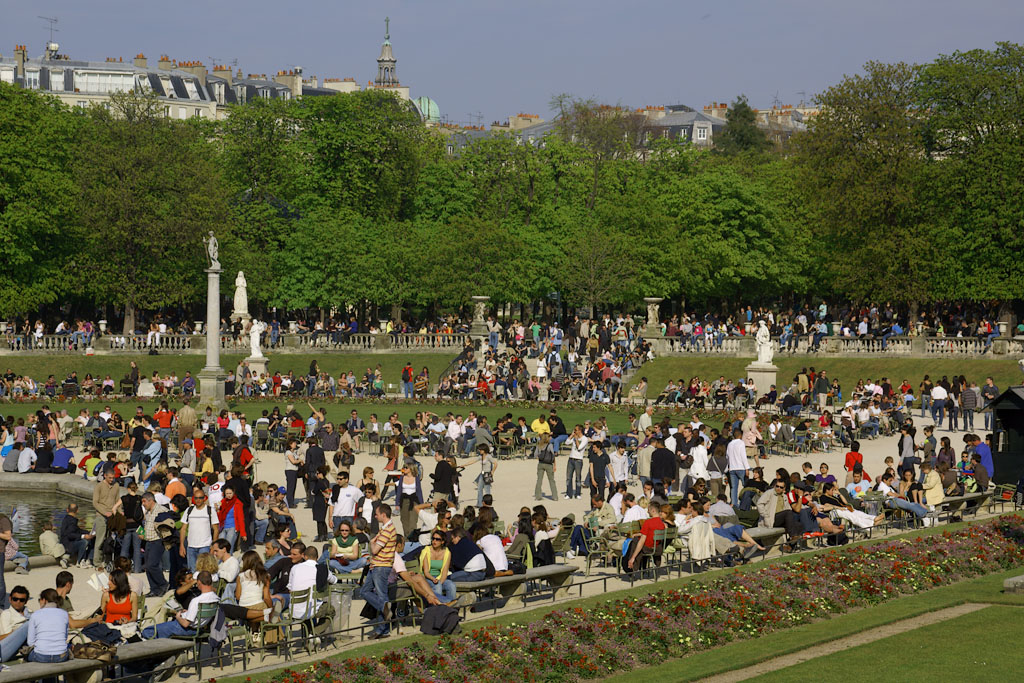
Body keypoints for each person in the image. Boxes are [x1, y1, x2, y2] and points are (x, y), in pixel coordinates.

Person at [142, 570, 219, 638]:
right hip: (200, 627)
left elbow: (185, 624)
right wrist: (188, 612)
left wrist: (178, 617)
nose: (192, 580)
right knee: (161, 629)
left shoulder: (196, 601)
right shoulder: (216, 598)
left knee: (148, 631)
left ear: (199, 582)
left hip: (188, 629)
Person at [360, 504, 397, 639]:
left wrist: (371, 543)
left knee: (381, 596)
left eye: (376, 514)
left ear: (383, 515)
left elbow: (375, 550)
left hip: (381, 567)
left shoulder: (387, 530)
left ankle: (383, 629)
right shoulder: (386, 528)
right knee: (365, 591)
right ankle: (384, 617)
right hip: (377, 565)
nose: (375, 516)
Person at [26, 588, 71, 680]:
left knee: (27, 655)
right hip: (61, 656)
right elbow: (65, 637)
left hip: (41, 656)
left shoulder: (35, 615)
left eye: (39, 600)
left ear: (44, 600)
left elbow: (30, 642)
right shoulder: (64, 614)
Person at [220, 551, 272, 624]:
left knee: (247, 617)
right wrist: (271, 607)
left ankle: (263, 619)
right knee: (274, 614)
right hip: (258, 605)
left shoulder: (241, 576)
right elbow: (266, 597)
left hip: (243, 607)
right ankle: (268, 616)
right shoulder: (265, 575)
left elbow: (238, 596)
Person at [141, 492, 169, 597]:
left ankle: (163, 584)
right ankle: (154, 589)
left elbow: (168, 523)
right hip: (148, 541)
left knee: (152, 565)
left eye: (144, 501)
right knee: (147, 567)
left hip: (157, 541)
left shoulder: (161, 510)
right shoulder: (148, 512)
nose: (143, 504)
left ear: (151, 500)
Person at [419, 531, 456, 604]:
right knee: (437, 586)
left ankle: (450, 606)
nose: (434, 541)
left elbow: (444, 572)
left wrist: (439, 582)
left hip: (439, 577)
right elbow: (426, 572)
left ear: (442, 541)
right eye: (433, 538)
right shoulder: (426, 551)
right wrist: (434, 579)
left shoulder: (447, 553)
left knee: (451, 585)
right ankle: (445, 604)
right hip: (427, 578)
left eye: (437, 539)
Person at [0, 585, 31, 663]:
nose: (18, 602)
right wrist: (20, 630)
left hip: (26, 647)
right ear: (10, 599)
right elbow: (6, 638)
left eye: (21, 600)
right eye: (15, 599)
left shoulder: (30, 613)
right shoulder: (7, 614)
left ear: (26, 601)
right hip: (5, 648)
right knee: (29, 625)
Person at [534, 434, 558, 501]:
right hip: (549, 464)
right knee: (551, 480)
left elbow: (535, 455)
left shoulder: (539, 445)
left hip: (541, 463)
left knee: (539, 480)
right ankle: (555, 496)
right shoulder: (550, 445)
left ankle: (538, 496)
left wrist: (540, 457)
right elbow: (553, 456)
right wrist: (555, 465)